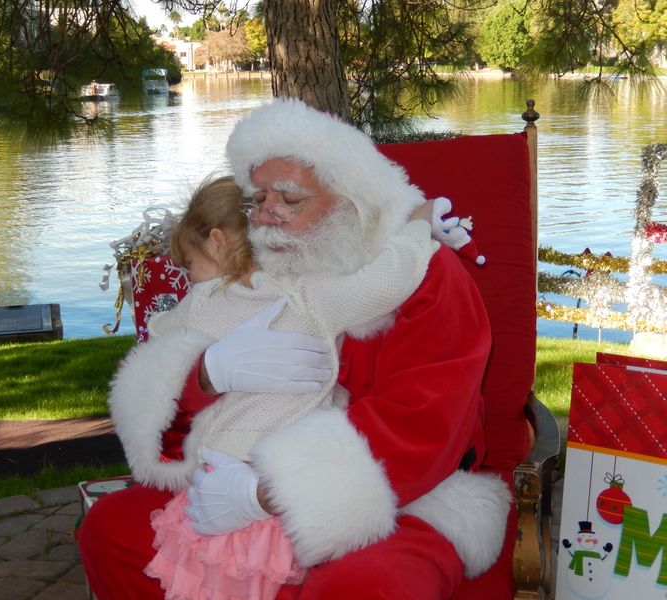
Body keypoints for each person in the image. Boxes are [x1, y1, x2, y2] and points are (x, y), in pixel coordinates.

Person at [79, 98, 511, 600]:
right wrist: (207, 375)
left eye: (290, 199)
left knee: (363, 586)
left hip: (402, 495)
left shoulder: (428, 278)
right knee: (112, 531)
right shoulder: (248, 272)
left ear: (352, 200)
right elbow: (166, 408)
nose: (267, 215)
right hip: (235, 468)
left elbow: (422, 426)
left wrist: (264, 493)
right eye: (258, 197)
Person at [115, 174, 439, 599]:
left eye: (188, 265)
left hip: (213, 484)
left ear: (215, 241)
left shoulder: (199, 305)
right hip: (277, 485)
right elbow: (386, 283)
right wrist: (416, 228)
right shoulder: (307, 294)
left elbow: (159, 337)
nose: (189, 280)